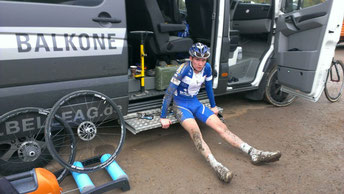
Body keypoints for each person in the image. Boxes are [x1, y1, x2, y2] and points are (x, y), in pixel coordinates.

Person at [160, 42, 281, 183]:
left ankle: (253, 152)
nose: (200, 63)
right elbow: (168, 93)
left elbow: (209, 89)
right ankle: (216, 165)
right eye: (197, 59)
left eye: (203, 60)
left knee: (222, 128)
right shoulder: (183, 69)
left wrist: (213, 106)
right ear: (191, 58)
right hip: (181, 106)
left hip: (195, 103)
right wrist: (163, 117)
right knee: (196, 134)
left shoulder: (207, 68)